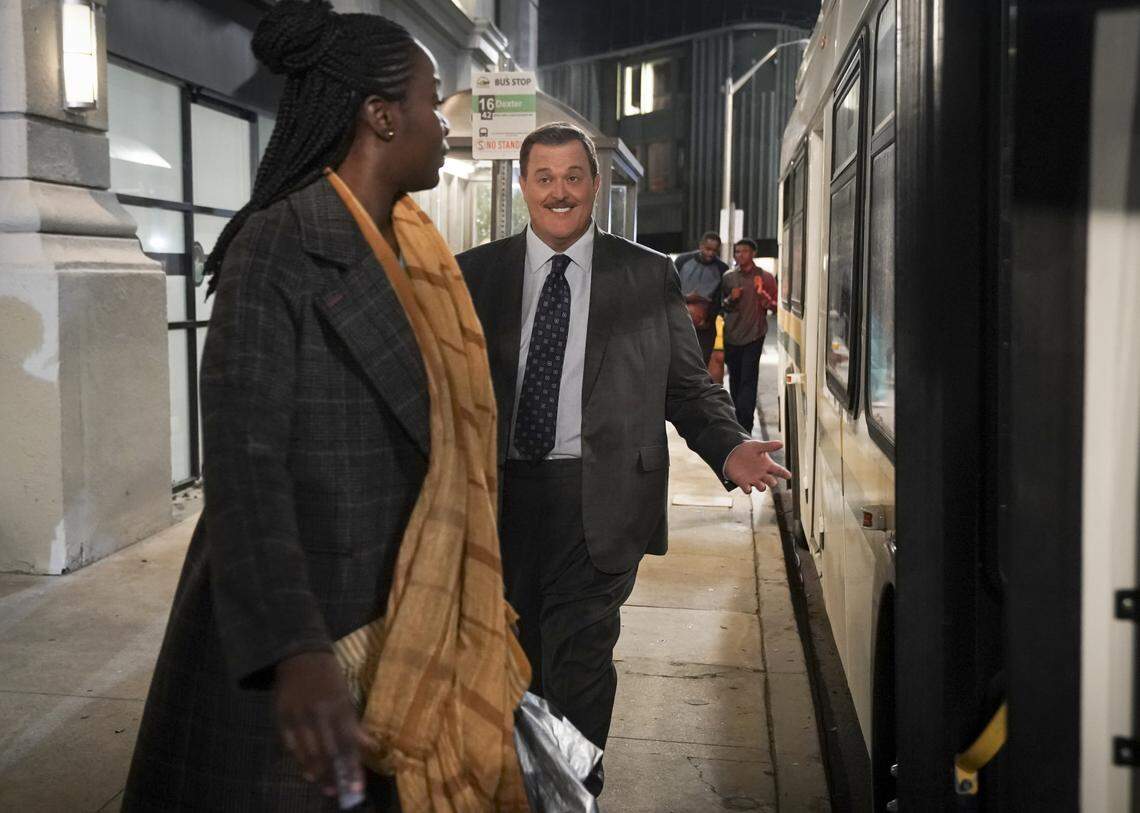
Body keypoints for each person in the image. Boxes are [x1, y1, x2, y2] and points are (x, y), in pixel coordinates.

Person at [123, 3, 529, 810]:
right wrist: (294, 648)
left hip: (407, 627)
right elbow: (245, 465)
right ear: (381, 116)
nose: (443, 123)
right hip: (314, 648)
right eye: (431, 101)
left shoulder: (418, 254)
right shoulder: (278, 244)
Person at [457, 122, 792, 794]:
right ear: (523, 185)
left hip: (602, 498)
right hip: (498, 500)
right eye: (544, 177)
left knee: (579, 659)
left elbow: (685, 385)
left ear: (595, 183)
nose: (559, 192)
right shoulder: (475, 274)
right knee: (512, 663)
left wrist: (729, 446)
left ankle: (571, 788)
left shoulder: (644, 273)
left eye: (572, 177)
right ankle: (527, 784)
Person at [721, 238, 778, 434]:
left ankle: (745, 424)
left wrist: (761, 294)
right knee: (735, 380)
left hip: (754, 335)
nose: (740, 255)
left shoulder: (765, 277)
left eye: (744, 251)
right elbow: (722, 306)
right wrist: (731, 298)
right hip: (732, 336)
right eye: (737, 251)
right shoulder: (728, 277)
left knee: (748, 380)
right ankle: (737, 421)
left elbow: (775, 307)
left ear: (753, 253)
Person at [674, 231, 729, 365]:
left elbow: (719, 300)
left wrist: (707, 319)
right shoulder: (682, 261)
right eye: (708, 249)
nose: (710, 253)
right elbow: (670, 290)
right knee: (679, 363)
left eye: (714, 250)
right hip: (680, 324)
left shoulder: (722, 268)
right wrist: (688, 298)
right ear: (701, 246)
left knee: (701, 364)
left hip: (705, 327)